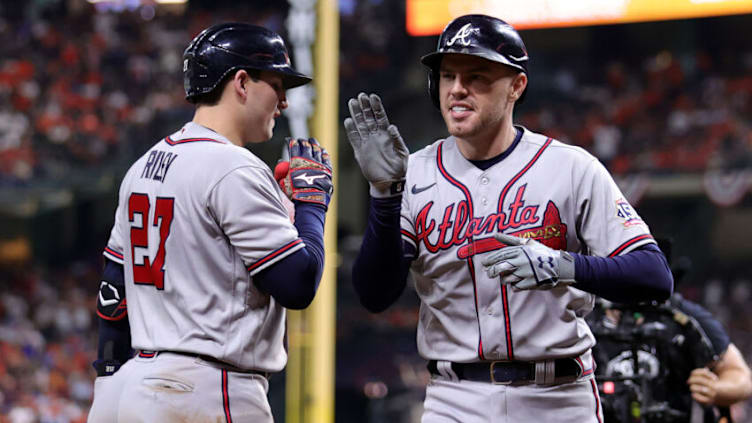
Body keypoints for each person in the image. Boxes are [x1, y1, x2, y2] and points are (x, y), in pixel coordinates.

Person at [344, 14, 673, 422]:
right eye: (447, 77)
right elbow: (374, 294)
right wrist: (384, 196)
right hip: (455, 399)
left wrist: (563, 265)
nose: (457, 89)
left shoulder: (570, 168)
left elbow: (654, 276)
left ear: (516, 85)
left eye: (477, 76)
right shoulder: (415, 173)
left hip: (560, 397)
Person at [88, 23, 333, 422]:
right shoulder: (234, 167)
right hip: (207, 389)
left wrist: (110, 379)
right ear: (241, 82)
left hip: (130, 388)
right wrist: (312, 205)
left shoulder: (143, 166)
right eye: (276, 83)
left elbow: (113, 293)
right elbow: (298, 283)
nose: (284, 102)